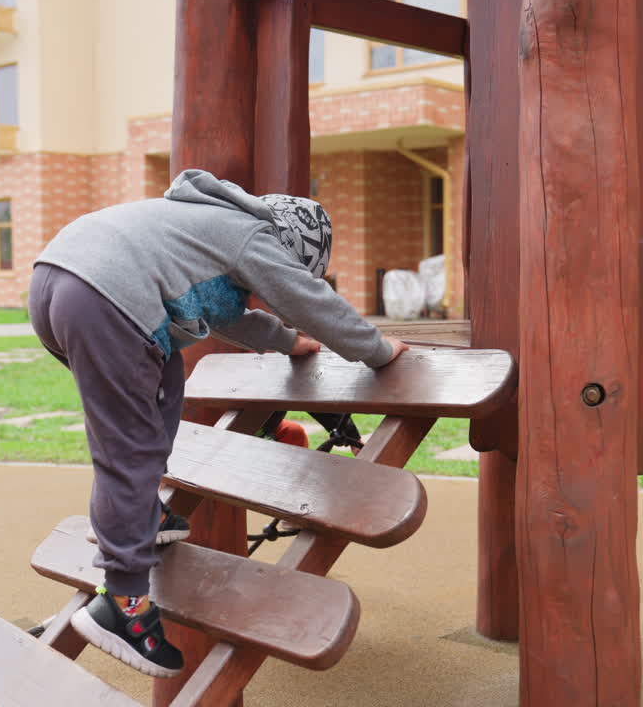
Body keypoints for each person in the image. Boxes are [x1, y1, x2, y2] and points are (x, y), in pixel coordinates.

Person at [27, 168, 409, 677]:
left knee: (158, 390)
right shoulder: (257, 236)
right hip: (108, 296)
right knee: (130, 447)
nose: (265, 293)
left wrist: (289, 343)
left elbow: (233, 316)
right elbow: (309, 302)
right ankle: (123, 603)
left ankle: (143, 517)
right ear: (289, 250)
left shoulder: (206, 229)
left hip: (57, 282)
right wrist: (378, 350)